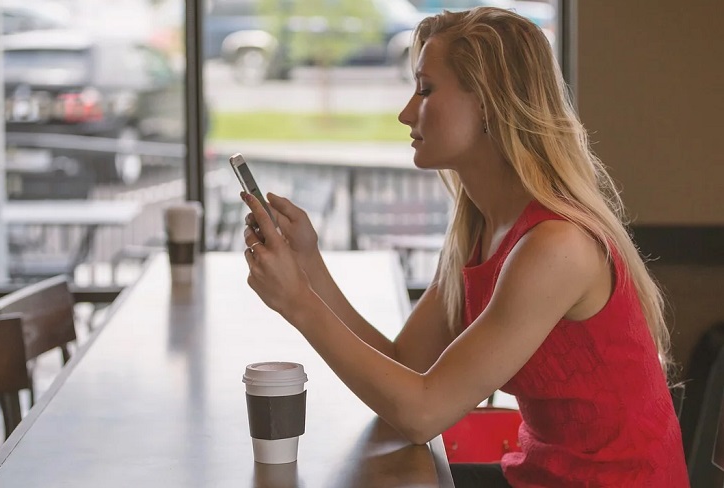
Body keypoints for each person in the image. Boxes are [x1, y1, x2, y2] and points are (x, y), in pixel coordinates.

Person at [239, 6, 689, 488]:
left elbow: (422, 413)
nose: (406, 112)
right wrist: (308, 268)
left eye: (426, 90)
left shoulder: (556, 246)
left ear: (489, 105)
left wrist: (299, 304)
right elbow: (408, 366)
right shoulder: (482, 229)